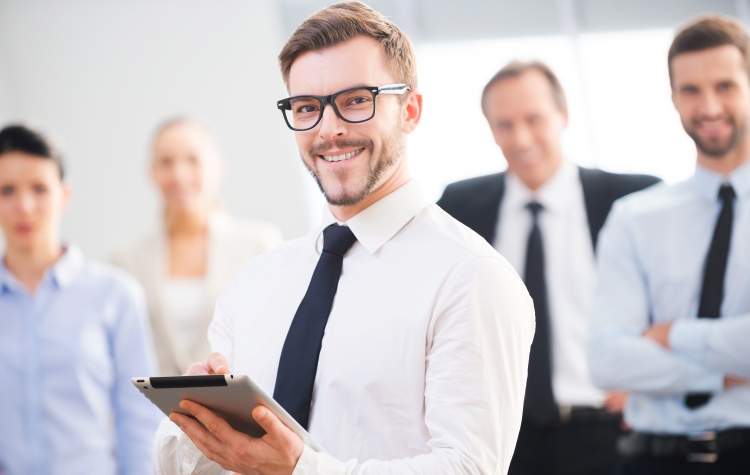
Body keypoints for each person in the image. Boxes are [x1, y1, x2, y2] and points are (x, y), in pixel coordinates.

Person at [152, 2, 536, 475]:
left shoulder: (471, 277)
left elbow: (468, 468)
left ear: (410, 110)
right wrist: (192, 422)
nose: (328, 129)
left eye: (356, 100)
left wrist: (299, 469)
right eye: (307, 108)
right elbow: (182, 463)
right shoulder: (257, 282)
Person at [437, 61, 660, 475]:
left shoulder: (632, 199)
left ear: (564, 115)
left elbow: (680, 299)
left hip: (606, 432)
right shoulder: (460, 206)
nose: (521, 138)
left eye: (534, 119)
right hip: (501, 439)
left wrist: (652, 384)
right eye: (504, 124)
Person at [589, 16, 750, 474]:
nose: (709, 106)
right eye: (691, 90)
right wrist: (722, 372)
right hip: (653, 460)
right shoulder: (635, 217)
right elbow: (607, 360)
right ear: (674, 98)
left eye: (726, 85)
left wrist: (671, 335)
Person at [0, 124, 161, 475]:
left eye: (39, 189)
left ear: (64, 195)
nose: (24, 206)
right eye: (7, 190)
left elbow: (138, 424)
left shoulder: (115, 295)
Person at [111, 118, 283, 376]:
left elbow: (274, 340)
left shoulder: (258, 244)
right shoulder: (125, 259)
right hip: (156, 412)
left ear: (219, 167)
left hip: (236, 407)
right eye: (166, 162)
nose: (179, 175)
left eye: (193, 160)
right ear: (152, 171)